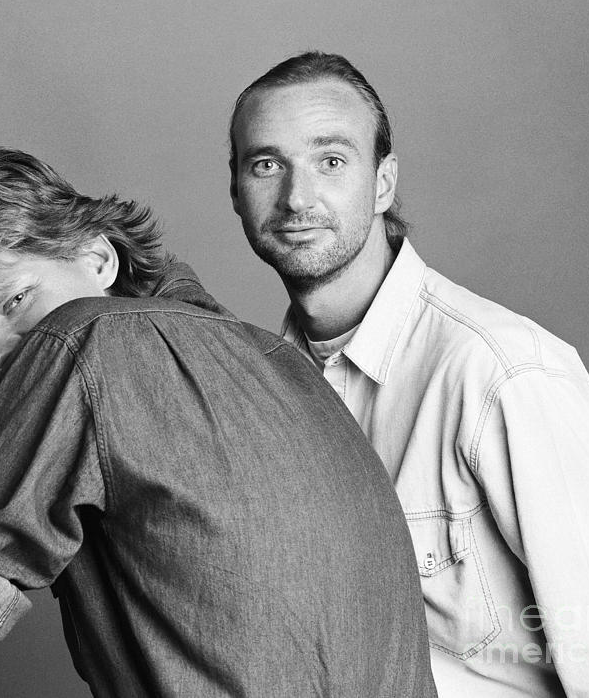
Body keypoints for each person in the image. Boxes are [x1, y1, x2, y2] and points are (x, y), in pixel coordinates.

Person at [0, 144, 436, 697]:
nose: (0, 355)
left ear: (97, 259)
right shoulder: (284, 363)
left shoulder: (74, 342)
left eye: (15, 300)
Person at [229, 50, 589, 697]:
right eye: (266, 165)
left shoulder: (500, 373)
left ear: (383, 182)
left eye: (330, 161)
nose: (296, 197)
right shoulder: (257, 397)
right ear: (235, 191)